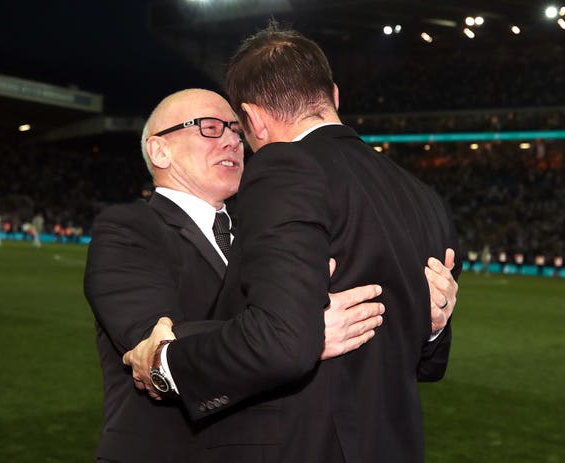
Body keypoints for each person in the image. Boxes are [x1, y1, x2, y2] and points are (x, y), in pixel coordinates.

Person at [125, 25, 461, 463]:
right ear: (334, 96)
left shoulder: (285, 167)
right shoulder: (422, 196)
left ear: (254, 118)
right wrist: (431, 324)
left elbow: (283, 341)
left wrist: (166, 365)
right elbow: (428, 363)